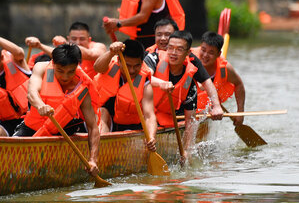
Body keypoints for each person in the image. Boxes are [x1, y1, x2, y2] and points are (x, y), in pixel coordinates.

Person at [13, 44, 101, 177]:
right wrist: (40, 105)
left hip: (61, 131)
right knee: (12, 156)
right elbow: (31, 93)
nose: (65, 77)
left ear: (77, 66)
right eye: (60, 71)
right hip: (32, 127)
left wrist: (93, 160)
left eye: (71, 71)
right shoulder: (41, 68)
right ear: (53, 63)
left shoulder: (82, 87)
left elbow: (93, 127)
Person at [146, 31, 223, 159]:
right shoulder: (153, 58)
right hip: (144, 115)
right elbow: (144, 77)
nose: (173, 53)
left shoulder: (190, 83)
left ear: (188, 53)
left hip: (168, 117)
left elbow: (190, 120)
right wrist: (161, 83)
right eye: (170, 48)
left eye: (179, 49)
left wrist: (187, 150)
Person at [92, 40, 157, 152]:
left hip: (129, 124)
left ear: (142, 63)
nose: (131, 70)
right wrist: (111, 52)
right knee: (102, 112)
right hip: (105, 120)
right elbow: (97, 67)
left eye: (137, 66)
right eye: (127, 65)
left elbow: (149, 115)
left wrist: (151, 137)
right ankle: (102, 151)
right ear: (119, 61)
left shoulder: (145, 83)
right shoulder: (109, 65)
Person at [191, 32, 245, 125]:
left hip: (206, 108)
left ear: (218, 54)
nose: (205, 55)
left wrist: (240, 113)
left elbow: (239, 84)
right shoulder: (187, 57)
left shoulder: (225, 68)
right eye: (203, 50)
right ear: (200, 47)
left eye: (211, 52)